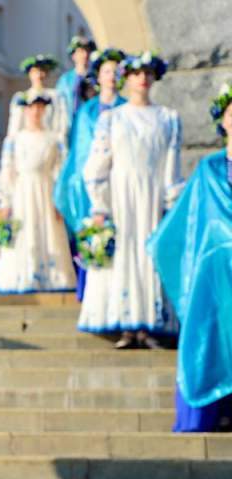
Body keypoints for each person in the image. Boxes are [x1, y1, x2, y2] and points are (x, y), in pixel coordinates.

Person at [79, 52, 183, 349]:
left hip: (151, 199)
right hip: (120, 198)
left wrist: (170, 205)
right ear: (128, 78)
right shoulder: (112, 118)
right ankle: (125, 325)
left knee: (149, 257)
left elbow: (171, 167)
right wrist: (100, 205)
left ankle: (149, 323)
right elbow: (98, 164)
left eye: (148, 73)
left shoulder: (168, 118)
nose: (143, 79)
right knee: (125, 256)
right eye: (137, 73)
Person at [146, 82, 232, 432]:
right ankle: (209, 413)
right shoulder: (209, 169)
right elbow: (191, 219)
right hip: (214, 271)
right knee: (210, 335)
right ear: (223, 121)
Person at [54, 48, 126, 301]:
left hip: (120, 185)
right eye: (107, 71)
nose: (111, 76)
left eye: (116, 71)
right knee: (92, 236)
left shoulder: (127, 108)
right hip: (90, 184)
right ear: (98, 76)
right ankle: (91, 293)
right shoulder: (87, 112)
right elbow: (81, 152)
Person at [0, 94, 74, 294]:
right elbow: (8, 169)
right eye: (31, 108)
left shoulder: (54, 139)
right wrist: (5, 200)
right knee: (24, 230)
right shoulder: (15, 140)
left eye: (39, 108)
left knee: (47, 230)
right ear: (25, 111)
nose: (35, 112)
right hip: (22, 192)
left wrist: (59, 200)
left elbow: (60, 171)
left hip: (45, 190)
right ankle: (23, 276)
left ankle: (50, 277)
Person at [6, 54, 69, 143]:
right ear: (30, 74)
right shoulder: (21, 97)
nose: (39, 75)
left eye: (43, 71)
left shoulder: (56, 97)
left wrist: (59, 143)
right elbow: (15, 126)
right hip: (27, 144)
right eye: (35, 71)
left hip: (49, 143)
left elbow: (61, 124)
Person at [56, 36, 97, 132]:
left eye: (87, 51)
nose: (85, 54)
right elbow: (60, 104)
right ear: (73, 55)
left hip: (92, 125)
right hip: (71, 126)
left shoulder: (96, 77)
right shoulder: (65, 80)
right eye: (81, 51)